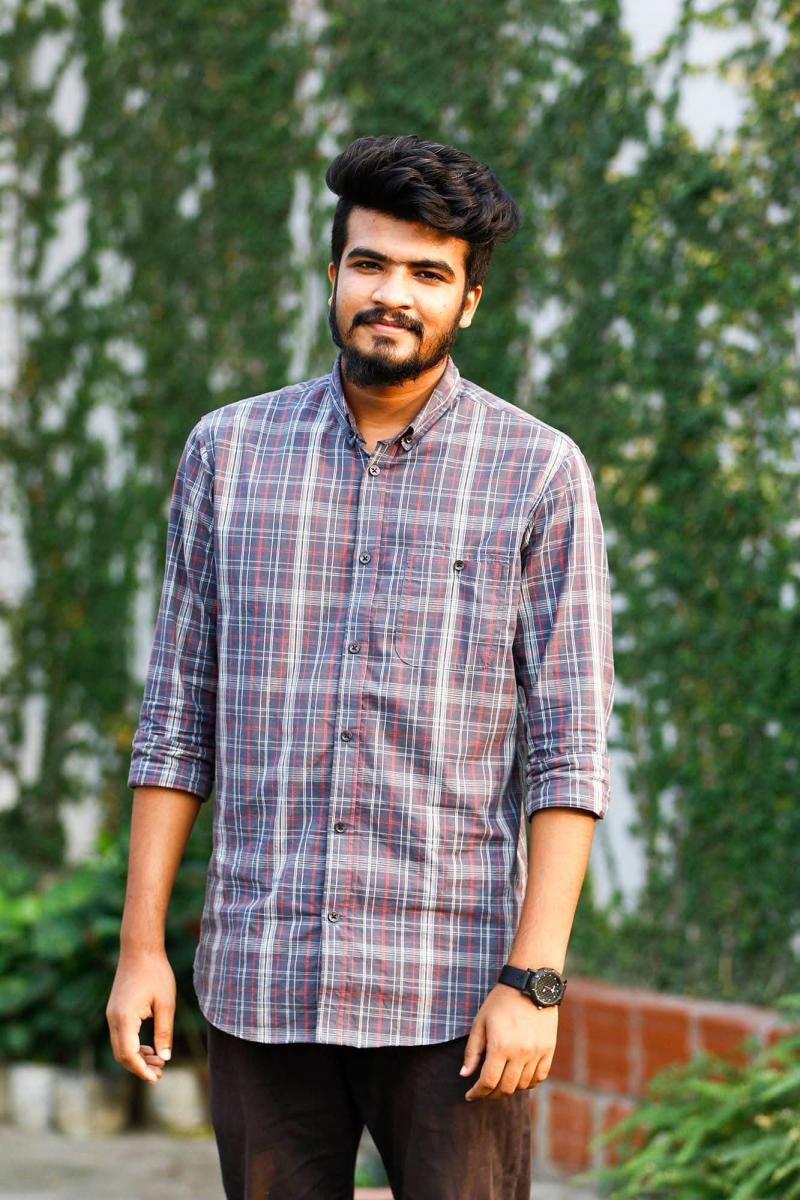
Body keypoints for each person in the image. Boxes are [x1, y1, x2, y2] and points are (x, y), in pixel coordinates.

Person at [106, 134, 615, 1200]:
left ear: (468, 302)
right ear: (332, 273)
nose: (393, 295)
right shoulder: (227, 454)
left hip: (453, 994)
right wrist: (140, 948)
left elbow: (566, 751)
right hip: (263, 978)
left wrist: (534, 980)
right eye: (370, 264)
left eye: (428, 273)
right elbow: (176, 724)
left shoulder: (537, 472)